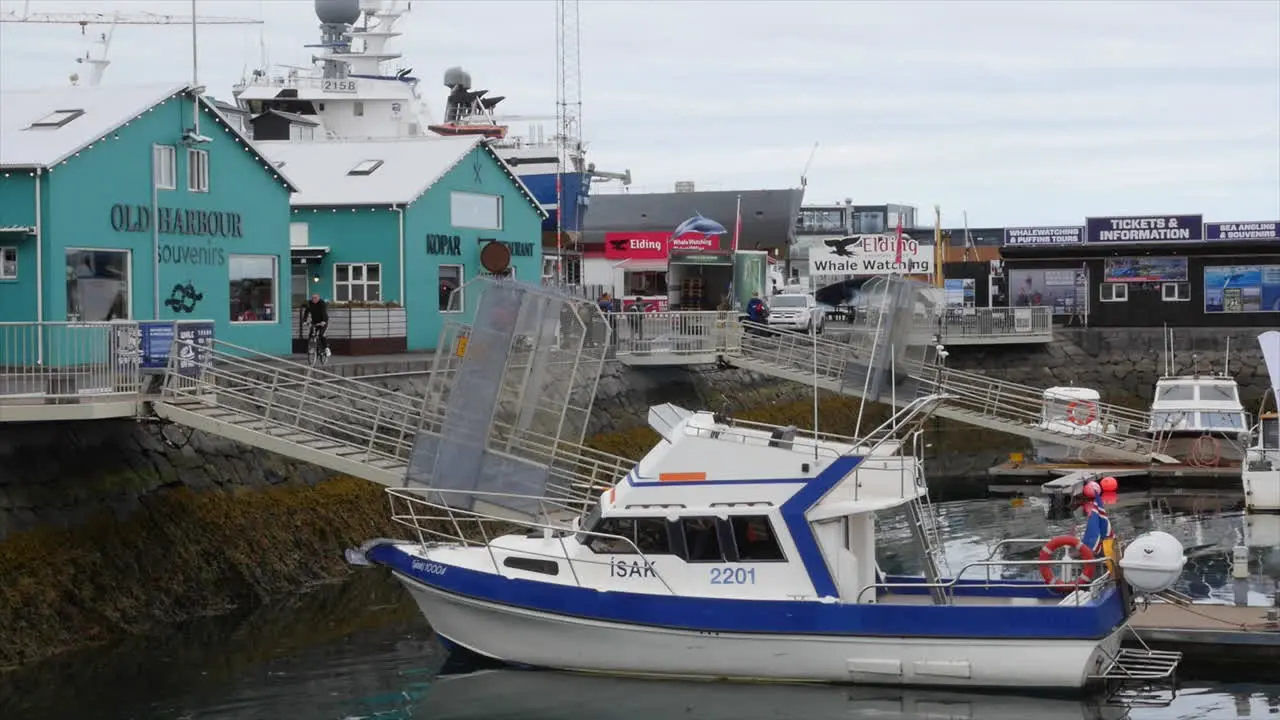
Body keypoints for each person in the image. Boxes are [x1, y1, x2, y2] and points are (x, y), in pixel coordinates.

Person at [301, 293, 330, 357]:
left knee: (321, 335)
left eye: (315, 298)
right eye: (313, 298)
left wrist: (324, 321)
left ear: (319, 298)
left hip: (323, 321)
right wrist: (304, 321)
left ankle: (326, 349)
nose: (314, 299)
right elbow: (306, 312)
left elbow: (324, 312)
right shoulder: (310, 304)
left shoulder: (322, 303)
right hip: (315, 321)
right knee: (311, 334)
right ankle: (312, 347)